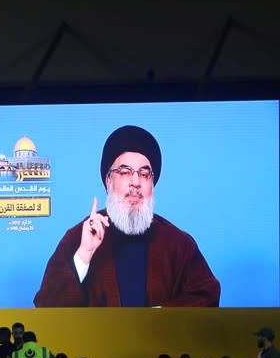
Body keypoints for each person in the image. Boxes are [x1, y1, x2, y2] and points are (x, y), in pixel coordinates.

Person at [34, 125, 220, 307]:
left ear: (151, 185)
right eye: (124, 172)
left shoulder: (178, 243)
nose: (135, 182)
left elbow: (207, 295)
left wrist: (162, 318)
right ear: (109, 181)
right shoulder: (79, 238)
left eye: (144, 174)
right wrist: (84, 255)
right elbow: (47, 306)